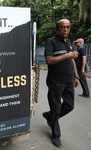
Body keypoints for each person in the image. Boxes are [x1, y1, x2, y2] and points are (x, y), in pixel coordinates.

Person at [43, 19, 79, 148]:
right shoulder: (51, 41)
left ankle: (49, 116)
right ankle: (56, 135)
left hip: (69, 80)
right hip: (56, 81)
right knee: (56, 108)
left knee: (69, 106)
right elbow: (49, 60)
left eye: (68, 27)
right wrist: (67, 55)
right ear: (57, 28)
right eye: (63, 27)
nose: (65, 29)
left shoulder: (68, 42)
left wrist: (76, 76)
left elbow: (73, 60)